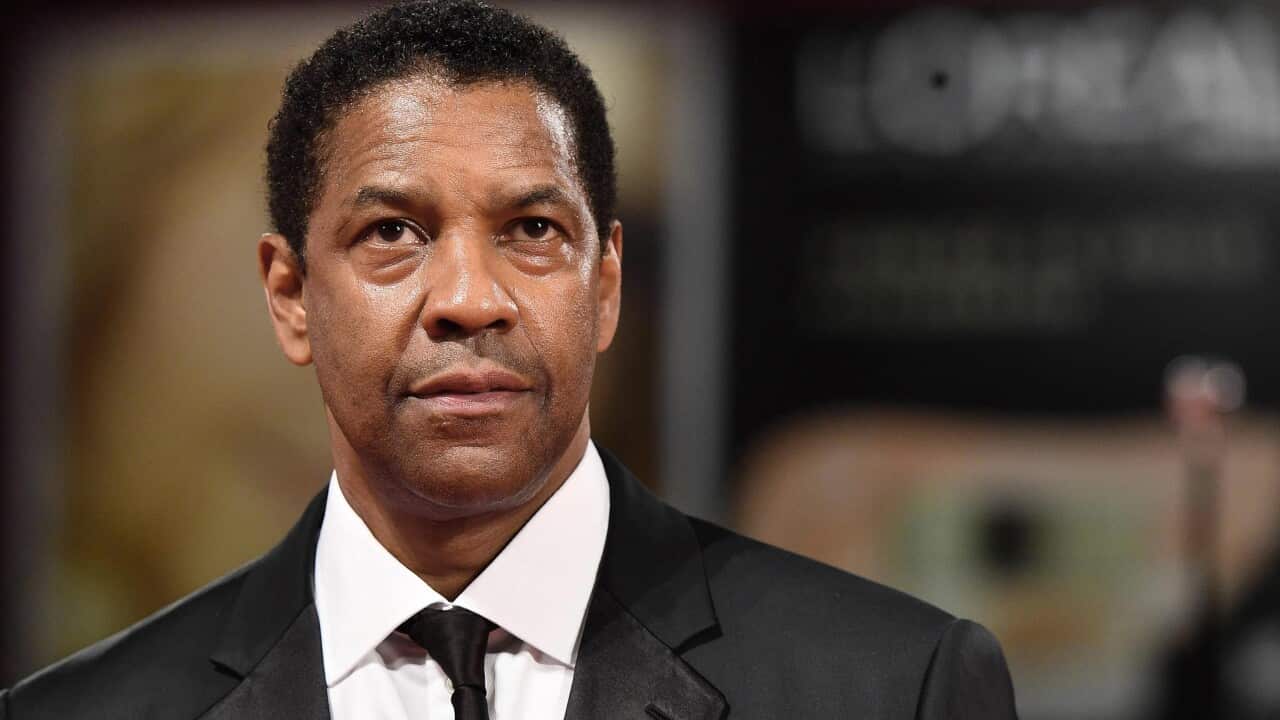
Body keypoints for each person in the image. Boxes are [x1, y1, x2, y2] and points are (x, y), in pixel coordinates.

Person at [0, 1, 1017, 718]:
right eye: (392, 233)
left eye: (531, 229)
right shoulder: (84, 713)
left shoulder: (891, 687)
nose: (469, 300)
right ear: (290, 295)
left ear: (605, 285)